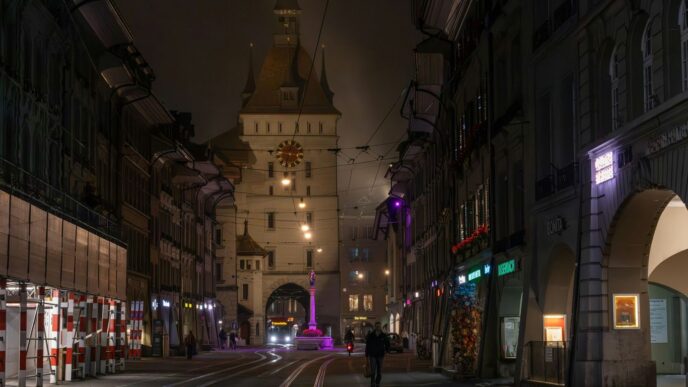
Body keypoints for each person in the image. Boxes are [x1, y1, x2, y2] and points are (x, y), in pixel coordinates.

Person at [365, 321, 389, 387]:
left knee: (379, 371)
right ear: (375, 327)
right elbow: (367, 346)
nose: (378, 327)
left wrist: (386, 350)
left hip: (381, 355)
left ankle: (377, 383)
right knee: (373, 371)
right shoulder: (371, 335)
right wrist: (366, 356)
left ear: (380, 327)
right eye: (377, 326)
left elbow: (387, 344)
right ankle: (372, 383)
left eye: (379, 326)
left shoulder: (383, 335)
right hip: (372, 355)